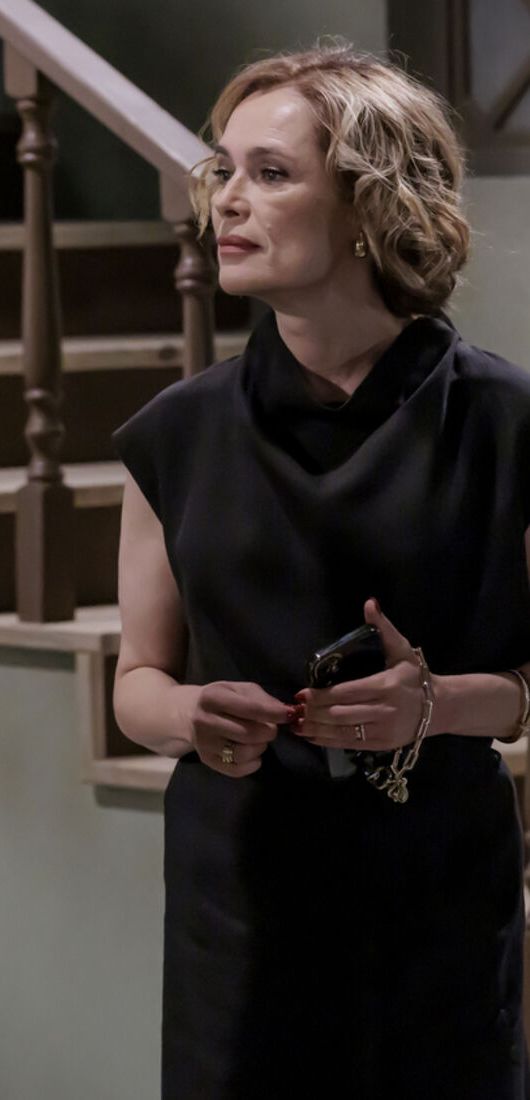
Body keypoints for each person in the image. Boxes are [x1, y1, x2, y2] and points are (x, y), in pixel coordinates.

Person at [113, 45, 530, 1099]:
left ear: (365, 209)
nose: (227, 200)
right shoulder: (174, 434)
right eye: (223, 170)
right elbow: (136, 682)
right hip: (237, 904)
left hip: (435, 901)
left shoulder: (503, 420)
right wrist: (188, 711)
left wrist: (434, 704)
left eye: (270, 173)